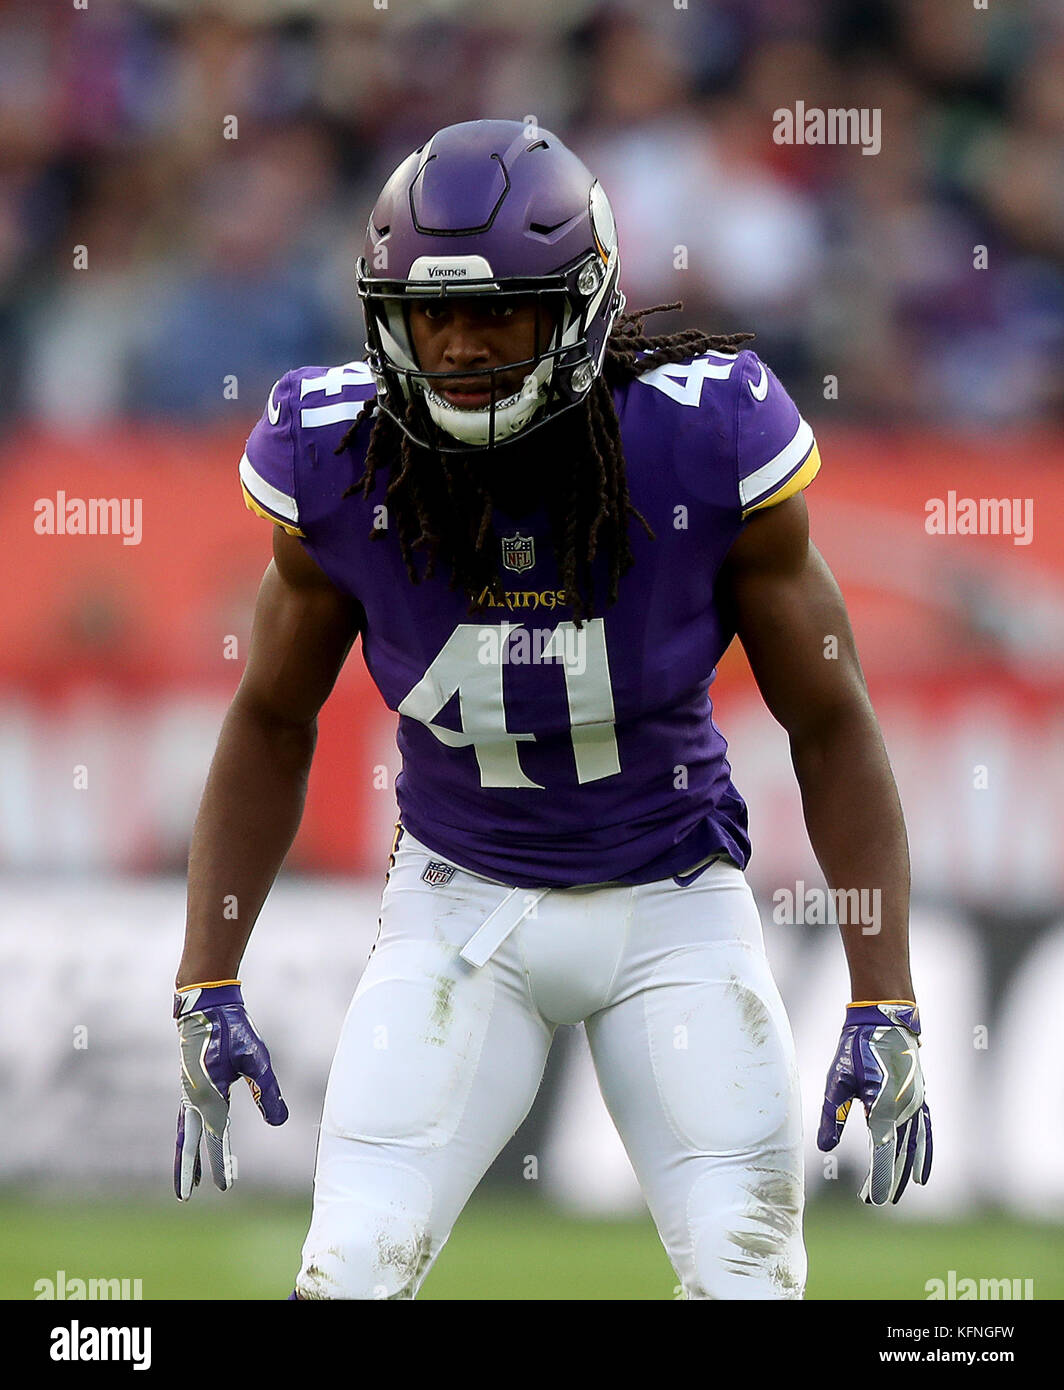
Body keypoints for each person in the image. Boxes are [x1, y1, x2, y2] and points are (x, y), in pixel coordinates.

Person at [173, 119, 931, 1300]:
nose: (461, 345)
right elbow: (272, 717)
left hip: (674, 904)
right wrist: (206, 976)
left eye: (499, 311)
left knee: (748, 1280)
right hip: (455, 906)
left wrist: (884, 992)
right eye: (432, 315)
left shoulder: (698, 437)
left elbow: (828, 719)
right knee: (350, 1270)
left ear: (579, 307)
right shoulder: (340, 458)